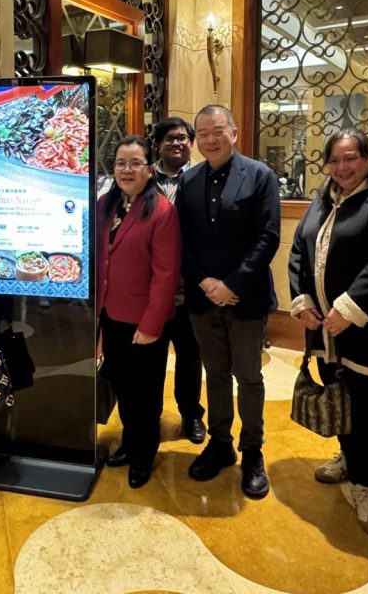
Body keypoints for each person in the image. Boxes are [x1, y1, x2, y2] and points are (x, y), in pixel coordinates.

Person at [288, 129, 368, 536]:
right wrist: (303, 300)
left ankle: (364, 485)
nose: (342, 167)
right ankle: (348, 458)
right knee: (339, 397)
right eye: (334, 160)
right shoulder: (323, 199)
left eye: (351, 158)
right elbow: (299, 249)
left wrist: (349, 309)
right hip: (327, 330)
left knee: (363, 408)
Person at [177, 104, 279, 499]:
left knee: (248, 377)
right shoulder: (188, 180)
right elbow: (182, 240)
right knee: (215, 374)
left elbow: (267, 237)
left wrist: (231, 284)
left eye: (218, 130)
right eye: (202, 133)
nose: (210, 139)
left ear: (233, 132)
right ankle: (220, 442)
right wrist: (205, 282)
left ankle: (252, 450)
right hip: (204, 299)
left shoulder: (259, 175)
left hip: (245, 298)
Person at [97, 135, 180, 488]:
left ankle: (144, 454)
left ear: (150, 169)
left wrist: (151, 324)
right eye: (120, 163)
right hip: (110, 314)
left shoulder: (162, 211)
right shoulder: (106, 205)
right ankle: (130, 442)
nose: (126, 170)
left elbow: (166, 274)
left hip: (143, 321)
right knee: (122, 385)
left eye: (135, 163)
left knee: (145, 392)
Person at [151, 116, 206, 444]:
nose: (177, 143)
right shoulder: (144, 177)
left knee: (190, 356)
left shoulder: (203, 177)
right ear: (158, 144)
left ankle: (191, 415)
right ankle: (150, 416)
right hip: (152, 291)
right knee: (151, 359)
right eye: (170, 138)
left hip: (192, 288)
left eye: (183, 138)